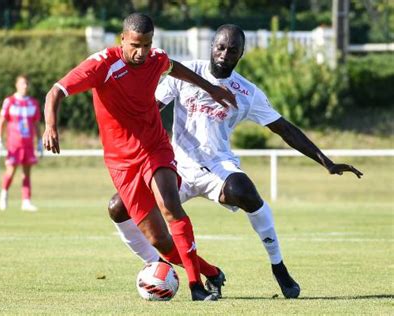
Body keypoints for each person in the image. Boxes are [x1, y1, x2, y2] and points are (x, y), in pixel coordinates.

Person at [107, 24, 364, 299]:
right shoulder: (183, 74)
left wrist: (326, 162)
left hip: (217, 167)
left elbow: (284, 129)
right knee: (118, 207)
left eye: (232, 50)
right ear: (211, 47)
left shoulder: (247, 92)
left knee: (245, 191)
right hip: (176, 166)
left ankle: (278, 267)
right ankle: (156, 264)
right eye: (220, 47)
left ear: (241, 53)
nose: (224, 54)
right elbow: (148, 111)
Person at [42, 13, 237, 301]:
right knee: (159, 240)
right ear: (122, 39)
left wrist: (211, 89)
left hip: (155, 147)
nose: (141, 52)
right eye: (135, 45)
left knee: (170, 205)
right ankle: (210, 271)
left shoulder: (154, 58)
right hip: (122, 164)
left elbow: (174, 68)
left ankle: (196, 287)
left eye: (146, 45)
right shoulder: (103, 65)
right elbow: (55, 92)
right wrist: (50, 126)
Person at [0, 75, 42, 212]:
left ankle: (26, 201)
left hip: (28, 144)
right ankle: (4, 195)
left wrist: (39, 141)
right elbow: (1, 121)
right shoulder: (9, 101)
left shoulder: (33, 103)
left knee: (26, 173)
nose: (25, 86)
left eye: (27, 83)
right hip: (14, 144)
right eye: (22, 83)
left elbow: (36, 124)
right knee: (10, 171)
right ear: (16, 85)